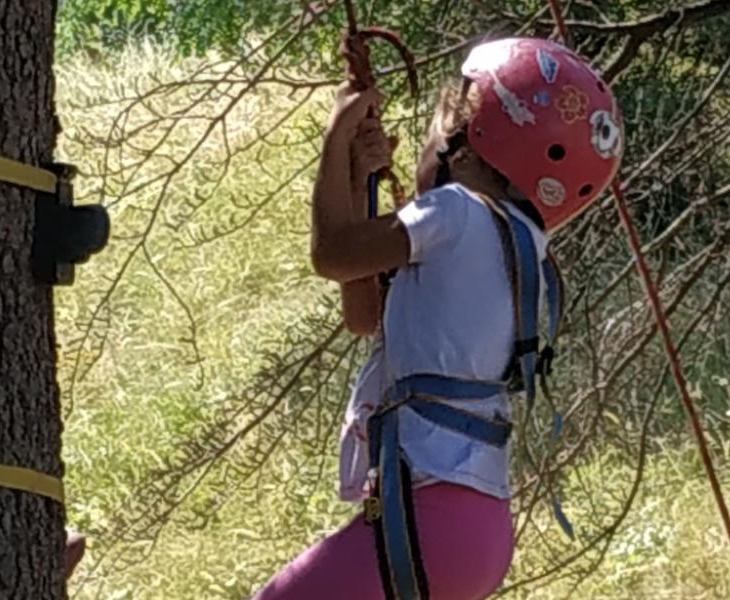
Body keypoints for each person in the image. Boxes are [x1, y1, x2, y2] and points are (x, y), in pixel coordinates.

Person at [252, 37, 622, 600]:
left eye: (430, 136)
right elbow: (364, 312)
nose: (420, 152)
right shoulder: (525, 248)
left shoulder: (454, 211)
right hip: (477, 525)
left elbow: (332, 254)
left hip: (429, 513)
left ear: (468, 152)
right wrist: (359, 178)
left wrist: (337, 136)